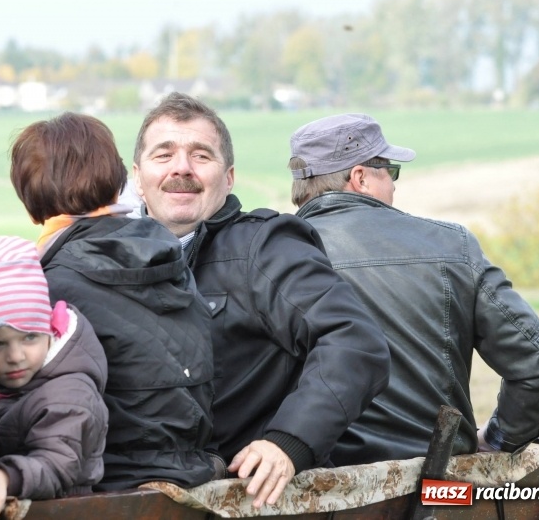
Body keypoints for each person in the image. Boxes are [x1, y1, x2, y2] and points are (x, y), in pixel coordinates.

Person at [132, 92, 390, 508]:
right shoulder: (109, 261)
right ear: (137, 176)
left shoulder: (264, 247)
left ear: (229, 177)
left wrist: (289, 442)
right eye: (164, 155)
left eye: (201, 155)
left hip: (246, 501)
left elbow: (353, 340)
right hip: (131, 499)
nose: (181, 167)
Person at [288, 113, 539, 465]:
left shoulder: (270, 256)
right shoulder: (453, 245)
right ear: (360, 178)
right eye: (391, 171)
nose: (395, 185)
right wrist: (497, 440)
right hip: (437, 487)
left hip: (315, 486)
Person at [10, 112, 217, 491]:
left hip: (108, 483)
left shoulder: (52, 282)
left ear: (29, 194)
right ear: (117, 177)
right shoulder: (166, 253)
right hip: (190, 466)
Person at [0, 236, 108, 520]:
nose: (15, 356)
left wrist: (4, 476)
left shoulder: (68, 393)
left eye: (30, 337)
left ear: (48, 328)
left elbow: (58, 463)